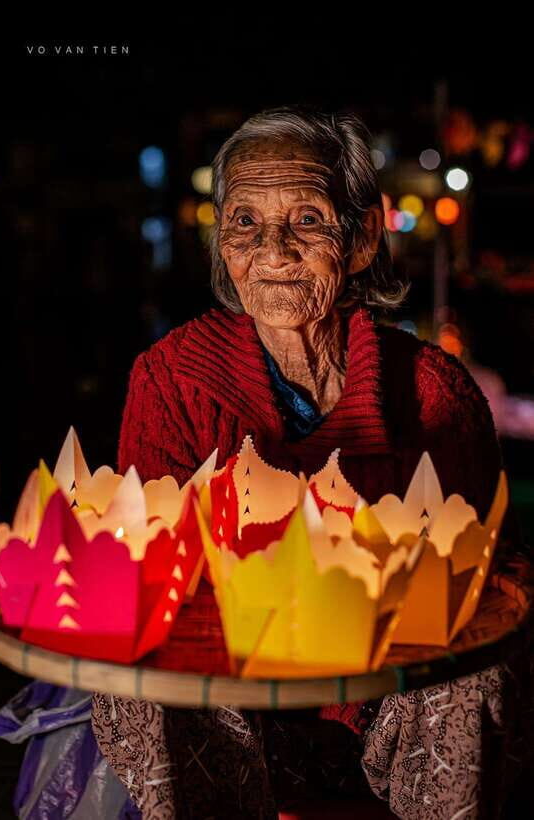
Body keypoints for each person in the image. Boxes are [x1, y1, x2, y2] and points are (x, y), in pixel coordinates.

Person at [90, 105, 533, 819]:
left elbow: (478, 585)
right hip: (237, 709)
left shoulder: (433, 392)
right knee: (139, 679)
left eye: (307, 219)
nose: (272, 251)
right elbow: (149, 570)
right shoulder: (171, 380)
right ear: (221, 246)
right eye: (243, 223)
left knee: (479, 668)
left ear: (360, 239)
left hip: (393, 705)